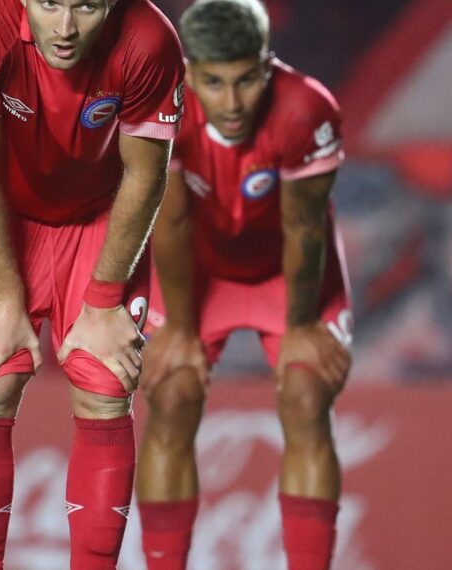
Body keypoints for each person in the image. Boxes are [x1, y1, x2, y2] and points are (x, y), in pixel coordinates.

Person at [0, 0, 184, 567]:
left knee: (105, 386)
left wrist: (103, 302)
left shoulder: (150, 41)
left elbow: (146, 175)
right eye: (50, 4)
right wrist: (2, 298)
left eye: (87, 7)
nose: (65, 29)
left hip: (97, 209)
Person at [134, 0, 353, 568]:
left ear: (267, 63)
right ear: (186, 74)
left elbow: (304, 227)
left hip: (288, 271)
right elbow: (172, 221)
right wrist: (179, 330)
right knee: (173, 395)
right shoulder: (159, 106)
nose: (231, 103)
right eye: (213, 82)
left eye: (246, 80)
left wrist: (303, 326)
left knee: (306, 397)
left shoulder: (307, 109)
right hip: (197, 272)